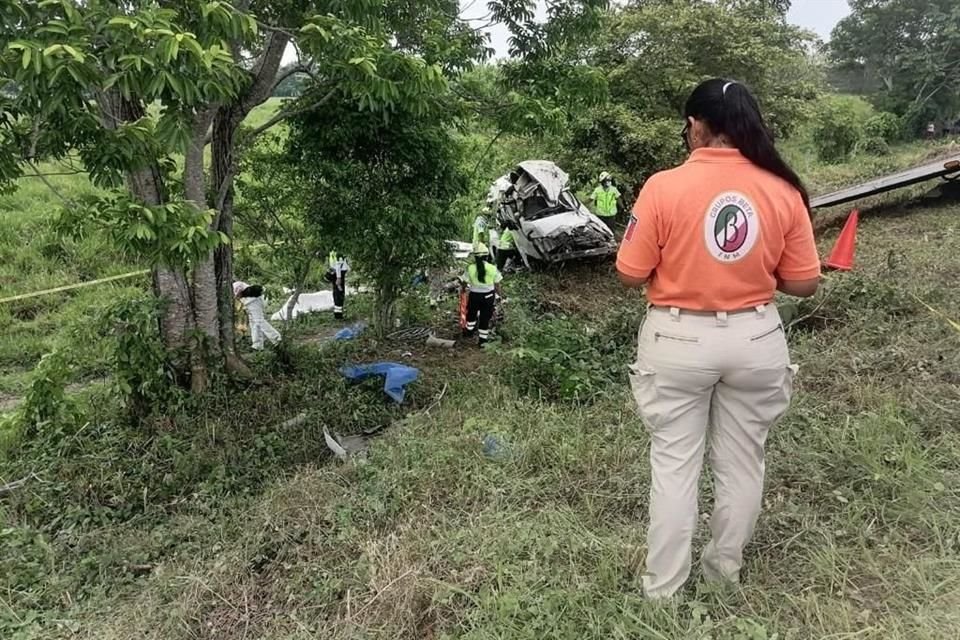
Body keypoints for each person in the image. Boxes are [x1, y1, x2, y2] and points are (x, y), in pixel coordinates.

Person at [616, 78, 820, 599]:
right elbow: (804, 282)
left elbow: (631, 273)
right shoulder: (782, 188)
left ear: (695, 126)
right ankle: (723, 577)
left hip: (678, 339)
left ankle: (662, 590)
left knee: (675, 463)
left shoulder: (663, 186)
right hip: (756, 338)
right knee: (743, 462)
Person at [460, 243, 503, 346]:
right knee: (485, 317)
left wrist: (463, 289)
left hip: (474, 295)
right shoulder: (492, 268)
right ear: (487, 256)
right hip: (488, 296)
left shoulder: (470, 268)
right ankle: (482, 341)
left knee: (471, 314)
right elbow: (497, 284)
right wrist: (500, 295)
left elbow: (464, 282)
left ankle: (469, 332)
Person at [233, 281, 281, 351]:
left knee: (259, 321)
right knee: (254, 322)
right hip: (252, 298)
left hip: (252, 299)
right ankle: (257, 345)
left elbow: (238, 295)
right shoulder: (234, 285)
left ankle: (276, 338)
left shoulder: (234, 285)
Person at [325, 251, 349, 320]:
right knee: (339, 294)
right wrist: (338, 278)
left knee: (337, 293)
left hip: (336, 273)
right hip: (338, 273)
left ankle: (338, 313)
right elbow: (338, 265)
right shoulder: (338, 252)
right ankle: (338, 315)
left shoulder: (333, 252)